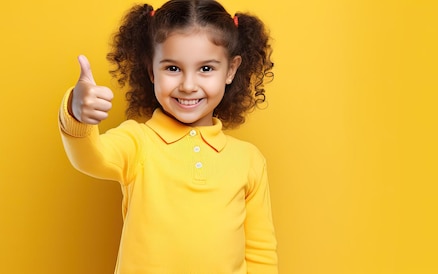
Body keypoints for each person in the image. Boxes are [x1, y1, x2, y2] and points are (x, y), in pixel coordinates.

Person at [58, 0, 277, 273]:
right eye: (172, 68)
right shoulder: (138, 142)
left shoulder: (249, 160)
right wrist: (77, 112)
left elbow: (260, 252)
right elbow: (91, 157)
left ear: (230, 70)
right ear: (151, 70)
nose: (187, 85)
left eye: (206, 69)